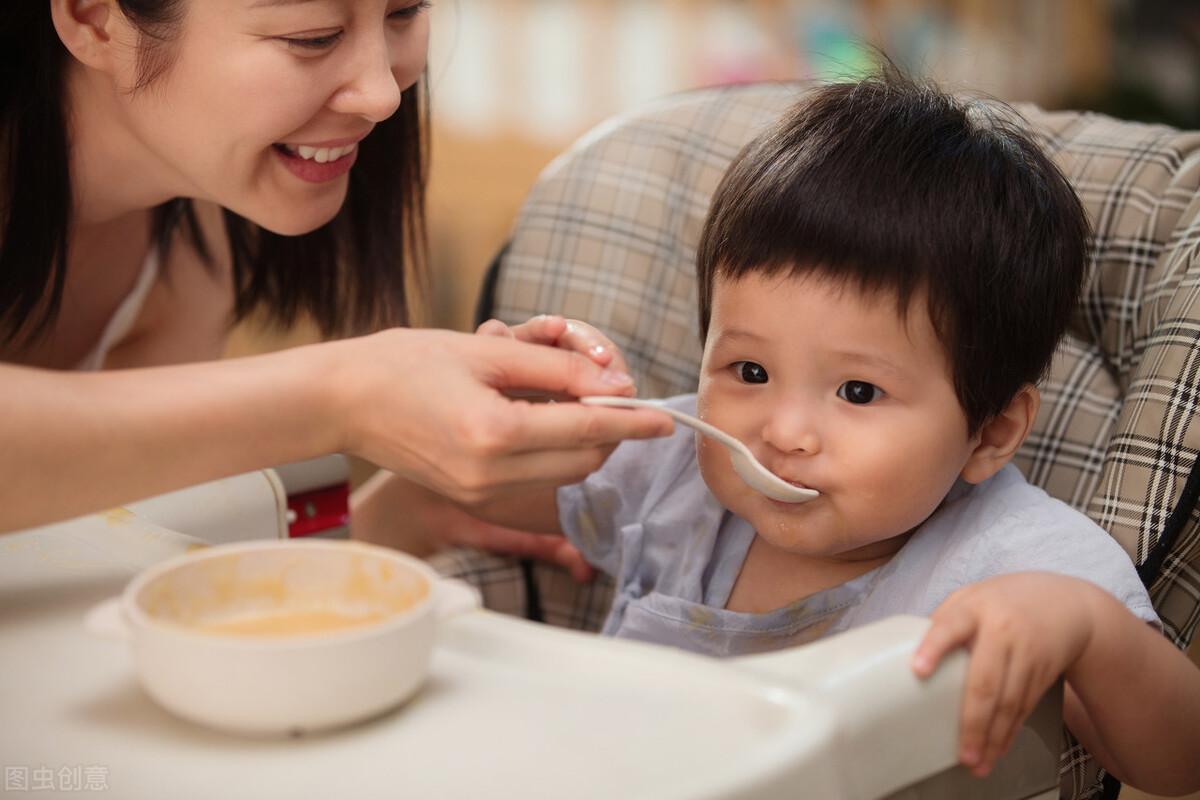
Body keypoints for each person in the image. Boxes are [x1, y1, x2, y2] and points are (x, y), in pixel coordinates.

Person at [461, 71, 1200, 793]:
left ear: (991, 434)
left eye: (857, 391)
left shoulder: (1018, 564)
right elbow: (481, 485)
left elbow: (1177, 762)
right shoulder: (675, 465)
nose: (784, 431)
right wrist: (521, 413)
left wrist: (1086, 628)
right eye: (749, 371)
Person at [0, 1, 671, 535]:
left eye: (405, 13)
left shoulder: (194, 218)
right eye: (313, 36)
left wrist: (397, 522)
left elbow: (118, 543)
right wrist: (344, 396)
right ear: (94, 19)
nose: (382, 95)